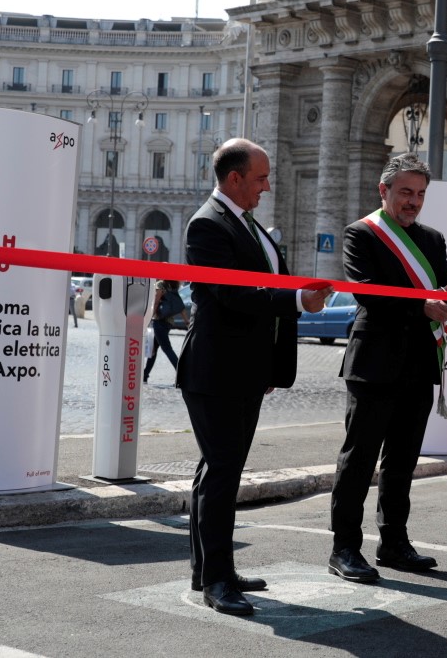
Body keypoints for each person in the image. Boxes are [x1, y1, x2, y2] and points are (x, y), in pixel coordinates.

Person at [177, 138, 332, 616]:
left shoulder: (248, 225)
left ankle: (209, 568)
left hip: (243, 370)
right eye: (261, 178)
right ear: (235, 178)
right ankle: (217, 580)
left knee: (219, 471)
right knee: (222, 472)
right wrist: (296, 302)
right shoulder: (207, 224)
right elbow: (231, 296)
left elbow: (268, 283)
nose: (267, 186)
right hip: (214, 370)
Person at [328, 153, 447, 584]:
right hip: (374, 365)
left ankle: (394, 542)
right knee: (359, 460)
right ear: (384, 191)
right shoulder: (362, 234)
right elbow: (368, 295)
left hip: (419, 364)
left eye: (420, 194)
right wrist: (424, 307)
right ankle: (344, 547)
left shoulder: (432, 240)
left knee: (402, 461)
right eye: (405, 193)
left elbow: (445, 294)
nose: (413, 201)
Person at [144, 280, 182, 383]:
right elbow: (179, 303)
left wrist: (149, 317)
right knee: (153, 349)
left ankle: (181, 375)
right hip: (168, 321)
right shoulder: (173, 285)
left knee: (167, 349)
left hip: (159, 321)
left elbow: (156, 301)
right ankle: (144, 375)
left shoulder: (160, 284)